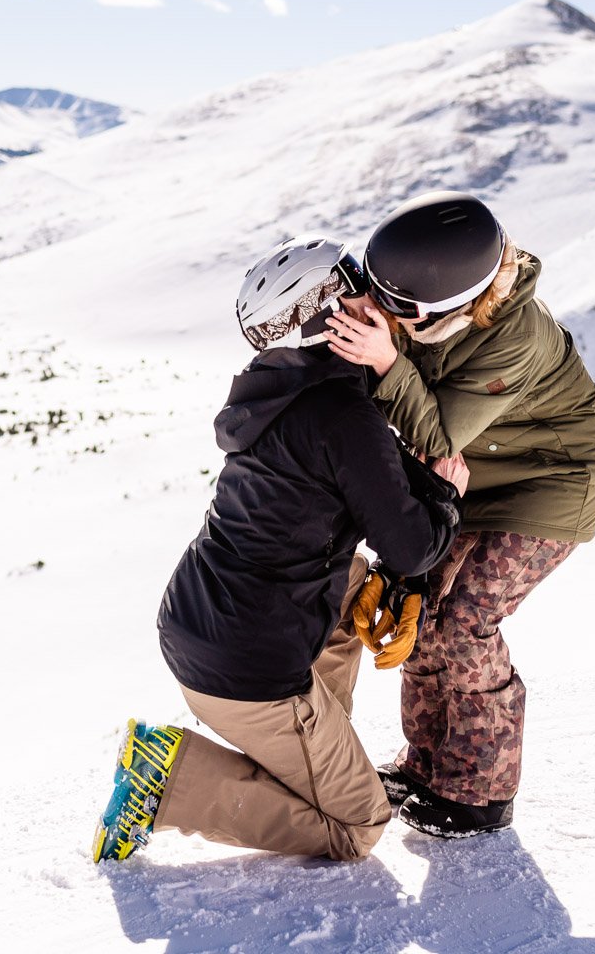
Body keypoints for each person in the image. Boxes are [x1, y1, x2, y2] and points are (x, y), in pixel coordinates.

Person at [92, 236, 467, 863]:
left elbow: (354, 486)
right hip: (250, 669)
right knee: (358, 826)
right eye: (357, 288)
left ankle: (314, 747)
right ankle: (169, 783)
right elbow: (411, 548)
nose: (376, 299)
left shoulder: (276, 394)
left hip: (201, 620)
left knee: (349, 575)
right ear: (333, 315)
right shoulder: (344, 417)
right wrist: (448, 500)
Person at [326, 191, 595, 838]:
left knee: (464, 624)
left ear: (451, 303)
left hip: (550, 482)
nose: (386, 313)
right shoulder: (427, 301)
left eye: (401, 309)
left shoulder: (515, 339)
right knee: (423, 613)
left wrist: (383, 361)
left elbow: (436, 434)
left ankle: (480, 793)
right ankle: (426, 766)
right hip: (469, 477)